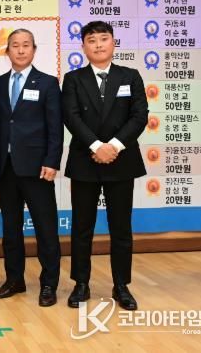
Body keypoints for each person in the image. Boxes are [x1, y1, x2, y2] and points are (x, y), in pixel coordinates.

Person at [62, 20, 148, 311]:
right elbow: (71, 117)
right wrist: (97, 146)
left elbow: (139, 116)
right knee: (81, 227)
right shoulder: (73, 79)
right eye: (92, 40)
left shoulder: (130, 76)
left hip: (121, 161)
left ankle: (121, 285)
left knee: (121, 228)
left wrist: (114, 146)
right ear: (83, 47)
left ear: (113, 42)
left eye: (103, 38)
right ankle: (81, 283)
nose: (98, 45)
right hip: (85, 160)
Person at [0, 29, 62, 307]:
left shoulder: (47, 83)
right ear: (6, 51)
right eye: (15, 46)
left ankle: (49, 284)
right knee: (11, 229)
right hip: (6, 168)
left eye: (26, 45)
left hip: (38, 168)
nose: (20, 50)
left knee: (46, 229)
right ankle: (14, 280)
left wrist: (52, 161)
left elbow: (55, 126)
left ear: (34, 50)